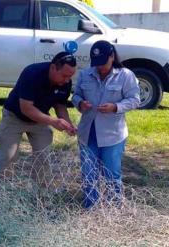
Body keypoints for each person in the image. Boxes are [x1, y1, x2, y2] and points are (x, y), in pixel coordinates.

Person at [72, 40, 140, 209]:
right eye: (96, 63)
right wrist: (80, 104)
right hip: (87, 132)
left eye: (103, 62)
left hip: (113, 135)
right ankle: (90, 207)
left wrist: (115, 107)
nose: (100, 67)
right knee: (88, 173)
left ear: (112, 56)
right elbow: (76, 95)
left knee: (111, 173)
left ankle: (113, 209)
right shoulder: (85, 74)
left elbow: (135, 100)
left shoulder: (125, 75)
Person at [0, 52, 78, 173]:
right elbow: (26, 108)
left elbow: (60, 104)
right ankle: (2, 191)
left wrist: (68, 124)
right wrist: (53, 121)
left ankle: (41, 191)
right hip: (15, 117)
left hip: (40, 119)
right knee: (7, 159)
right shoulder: (32, 73)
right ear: (53, 67)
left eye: (70, 77)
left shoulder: (65, 82)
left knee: (44, 160)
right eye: (64, 76)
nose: (67, 81)